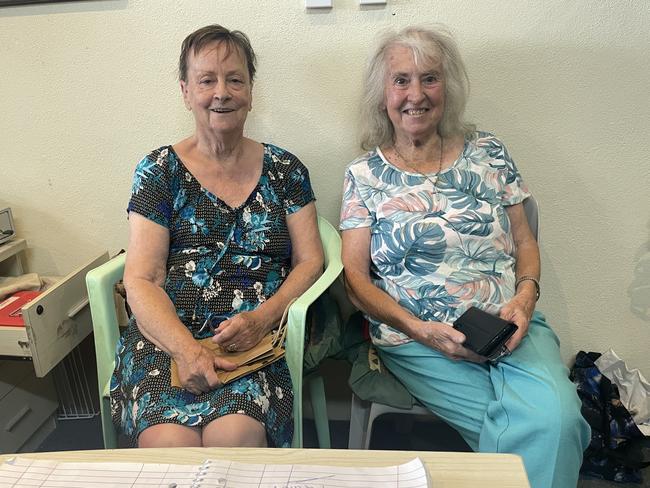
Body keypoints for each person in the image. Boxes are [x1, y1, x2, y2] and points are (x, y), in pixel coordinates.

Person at [340, 26, 590, 488]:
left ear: (447, 88)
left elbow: (526, 241)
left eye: (429, 78)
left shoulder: (489, 153)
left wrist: (526, 298)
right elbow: (355, 278)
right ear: (382, 94)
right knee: (546, 429)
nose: (416, 94)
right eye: (401, 80)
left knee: (559, 421)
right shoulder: (364, 175)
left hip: (509, 324)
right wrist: (419, 330)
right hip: (418, 340)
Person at [111, 24, 324, 449]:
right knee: (169, 444)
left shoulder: (286, 169)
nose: (221, 92)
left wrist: (264, 317)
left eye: (235, 79)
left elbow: (310, 260)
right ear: (186, 91)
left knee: (235, 439)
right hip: (167, 340)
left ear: (250, 90)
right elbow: (142, 278)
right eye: (207, 80)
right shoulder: (159, 171)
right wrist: (186, 350)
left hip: (251, 343)